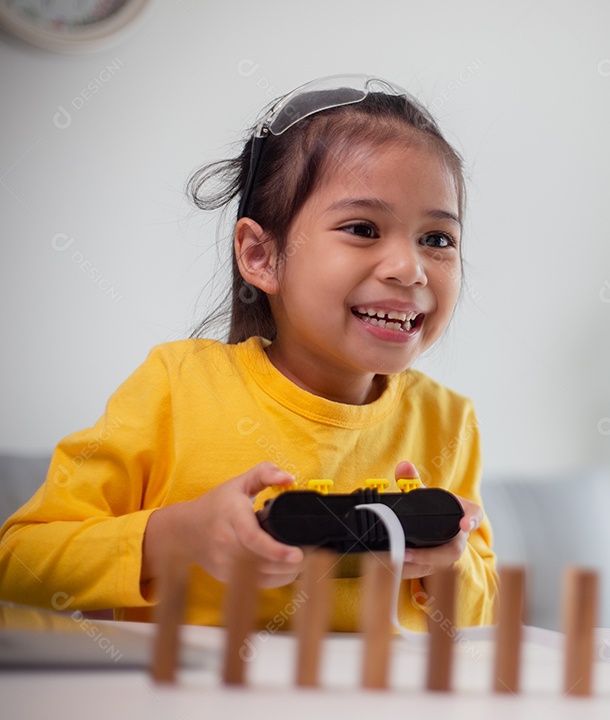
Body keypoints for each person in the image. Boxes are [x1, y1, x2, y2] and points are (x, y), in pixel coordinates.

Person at [0, 75, 497, 632]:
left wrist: (447, 569)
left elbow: (482, 613)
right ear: (261, 255)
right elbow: (19, 563)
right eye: (362, 228)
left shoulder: (450, 421)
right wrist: (181, 536)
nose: (409, 268)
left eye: (438, 239)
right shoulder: (175, 386)